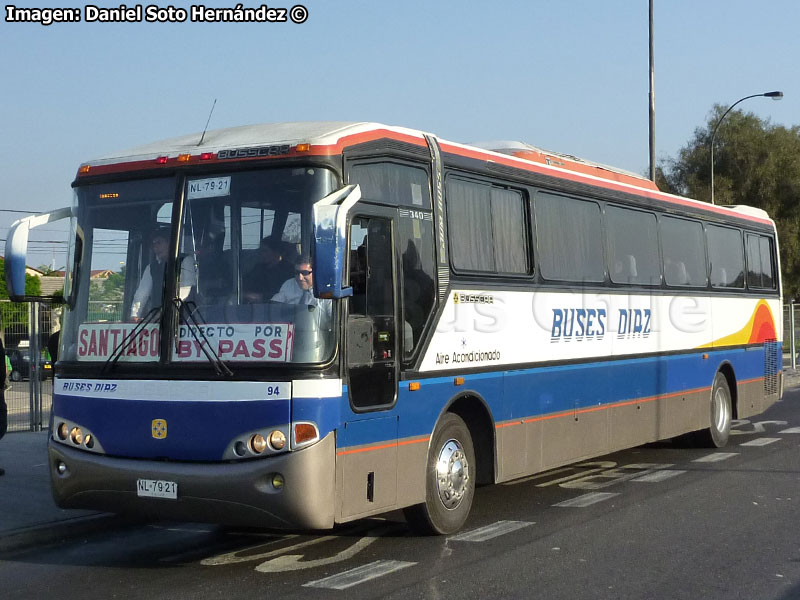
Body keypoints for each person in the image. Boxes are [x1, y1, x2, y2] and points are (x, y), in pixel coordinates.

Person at [130, 227, 196, 320]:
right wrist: (134, 315)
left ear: (171, 243)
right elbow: (142, 293)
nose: (155, 247)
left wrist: (166, 310)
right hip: (158, 321)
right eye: (153, 244)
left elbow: (185, 290)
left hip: (183, 320)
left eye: (159, 243)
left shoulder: (185, 260)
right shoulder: (151, 268)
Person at [243, 236, 295, 303]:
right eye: (260, 251)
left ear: (276, 252)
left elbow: (289, 294)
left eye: (265, 251)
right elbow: (244, 284)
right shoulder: (258, 268)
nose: (261, 254)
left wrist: (262, 297)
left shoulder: (289, 270)